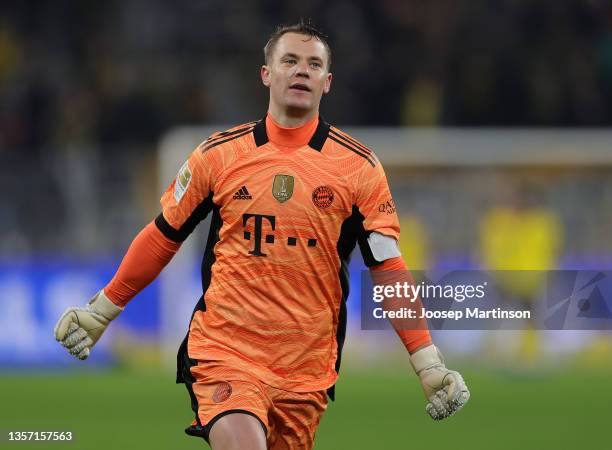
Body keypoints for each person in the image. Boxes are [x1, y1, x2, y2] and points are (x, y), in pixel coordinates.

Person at [54, 20, 469, 450]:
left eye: (313, 64)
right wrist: (103, 310)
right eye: (289, 60)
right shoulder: (219, 156)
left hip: (306, 370)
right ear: (266, 74)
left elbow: (387, 267)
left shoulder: (358, 169)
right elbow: (163, 236)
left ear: (327, 83)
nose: (301, 71)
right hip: (226, 352)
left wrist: (426, 360)